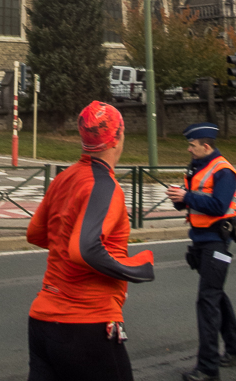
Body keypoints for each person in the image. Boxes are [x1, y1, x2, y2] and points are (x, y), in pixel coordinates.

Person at [26, 100, 155, 381]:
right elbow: (85, 250)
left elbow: (35, 234)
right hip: (86, 322)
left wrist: (67, 239)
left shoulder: (64, 178)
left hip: (42, 321)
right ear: (118, 137)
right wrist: (135, 270)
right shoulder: (105, 185)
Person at [167, 122, 236, 381]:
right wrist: (178, 199)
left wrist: (187, 196)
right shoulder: (196, 167)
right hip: (201, 241)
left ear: (206, 145)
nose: (189, 149)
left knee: (207, 301)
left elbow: (218, 205)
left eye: (192, 145)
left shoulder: (224, 170)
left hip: (217, 242)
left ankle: (207, 368)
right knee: (215, 296)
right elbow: (192, 204)